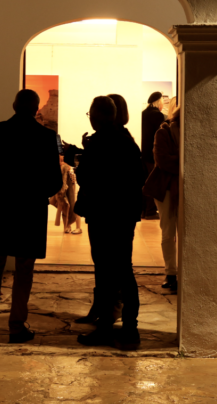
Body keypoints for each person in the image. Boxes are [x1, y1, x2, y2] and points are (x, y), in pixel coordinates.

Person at [0, 89, 63, 342]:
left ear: (14, 106)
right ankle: (16, 326)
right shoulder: (46, 136)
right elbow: (54, 182)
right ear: (36, 109)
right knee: (24, 270)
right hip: (29, 212)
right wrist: (35, 194)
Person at [75, 95, 148, 351]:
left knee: (106, 272)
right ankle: (130, 329)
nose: (90, 119)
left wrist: (83, 157)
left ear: (97, 117)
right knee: (124, 270)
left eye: (90, 115)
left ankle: (105, 329)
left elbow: (84, 177)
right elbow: (139, 178)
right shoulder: (127, 141)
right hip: (124, 215)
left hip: (102, 214)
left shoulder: (99, 142)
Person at [144, 104, 180, 293]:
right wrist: (182, 160)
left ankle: (183, 271)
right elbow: (162, 160)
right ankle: (171, 273)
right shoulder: (163, 132)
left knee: (186, 232)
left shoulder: (194, 134)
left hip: (186, 188)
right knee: (168, 231)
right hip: (165, 188)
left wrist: (177, 158)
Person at [139, 92, 165, 220]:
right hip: (153, 155)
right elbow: (159, 137)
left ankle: (144, 211)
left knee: (144, 182)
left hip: (144, 154)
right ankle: (150, 211)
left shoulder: (143, 113)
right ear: (159, 101)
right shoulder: (158, 115)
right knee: (152, 182)